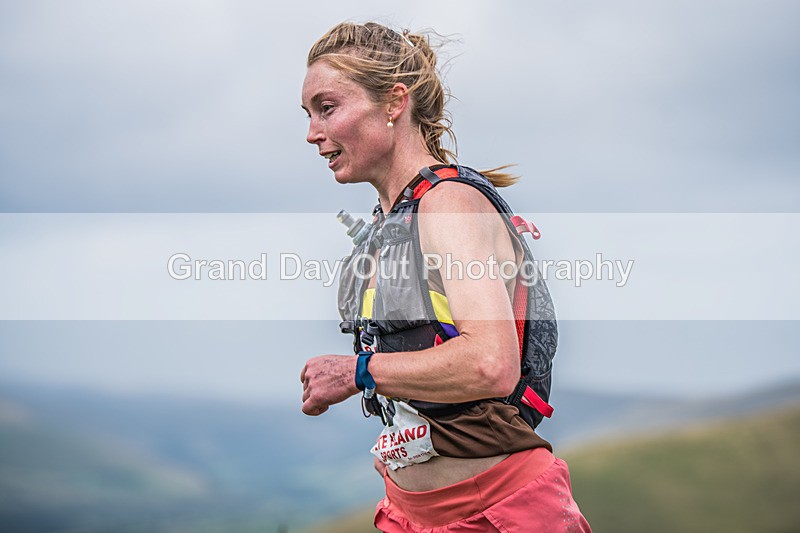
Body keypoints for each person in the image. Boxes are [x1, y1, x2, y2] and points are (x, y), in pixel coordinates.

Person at [299, 21, 591, 532]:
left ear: (394, 103)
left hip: (498, 513)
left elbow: (489, 363)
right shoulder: (389, 222)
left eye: (328, 108)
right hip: (405, 514)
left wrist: (355, 373)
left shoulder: (450, 205)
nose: (312, 133)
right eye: (308, 115)